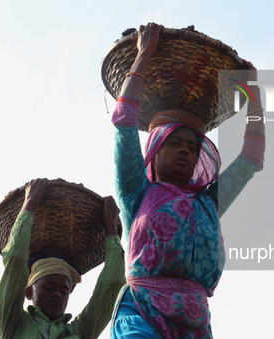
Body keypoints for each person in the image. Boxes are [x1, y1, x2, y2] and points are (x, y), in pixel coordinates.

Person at [109, 23, 265, 338]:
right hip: (142, 313)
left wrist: (253, 96)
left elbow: (251, 159)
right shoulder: (136, 191)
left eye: (192, 147)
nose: (184, 150)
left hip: (194, 323)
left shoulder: (208, 203)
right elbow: (125, 122)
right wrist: (144, 54)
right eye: (174, 143)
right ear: (154, 148)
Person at [0, 178, 126, 339]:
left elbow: (112, 286)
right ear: (28, 292)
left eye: (64, 290)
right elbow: (15, 262)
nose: (57, 294)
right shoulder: (11, 322)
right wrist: (29, 205)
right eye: (48, 287)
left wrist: (110, 227)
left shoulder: (80, 331)